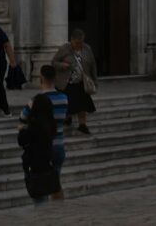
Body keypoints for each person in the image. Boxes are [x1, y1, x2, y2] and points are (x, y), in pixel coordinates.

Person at [24, 64, 71, 203]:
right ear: (55, 78)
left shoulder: (35, 101)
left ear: (41, 79)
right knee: (55, 181)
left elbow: (22, 121)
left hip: (41, 148)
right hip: (58, 145)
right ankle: (58, 211)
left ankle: (42, 214)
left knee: (40, 182)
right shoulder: (64, 98)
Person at [16, 70, 63, 205]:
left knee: (39, 195)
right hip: (50, 156)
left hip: (35, 163)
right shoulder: (51, 125)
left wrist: (22, 129)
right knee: (52, 184)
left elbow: (22, 139)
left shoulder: (34, 127)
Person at [49, 29, 98, 136]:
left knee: (83, 105)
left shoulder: (87, 49)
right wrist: (62, 65)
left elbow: (93, 65)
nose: (79, 45)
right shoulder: (64, 49)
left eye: (81, 42)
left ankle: (82, 125)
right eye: (77, 42)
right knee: (68, 104)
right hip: (67, 83)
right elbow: (54, 62)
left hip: (82, 82)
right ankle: (67, 118)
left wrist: (95, 80)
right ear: (71, 40)